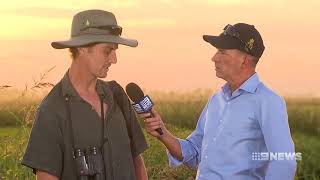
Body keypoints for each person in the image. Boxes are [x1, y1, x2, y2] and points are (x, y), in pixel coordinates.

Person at [141, 23, 297, 179]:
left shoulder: (268, 101)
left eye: (222, 52)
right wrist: (163, 134)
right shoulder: (217, 99)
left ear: (244, 60)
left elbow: (284, 161)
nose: (214, 58)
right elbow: (195, 153)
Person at [22, 9, 148, 180]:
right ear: (81, 48)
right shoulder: (51, 110)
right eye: (107, 50)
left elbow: (137, 162)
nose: (114, 59)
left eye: (115, 50)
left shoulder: (117, 95)